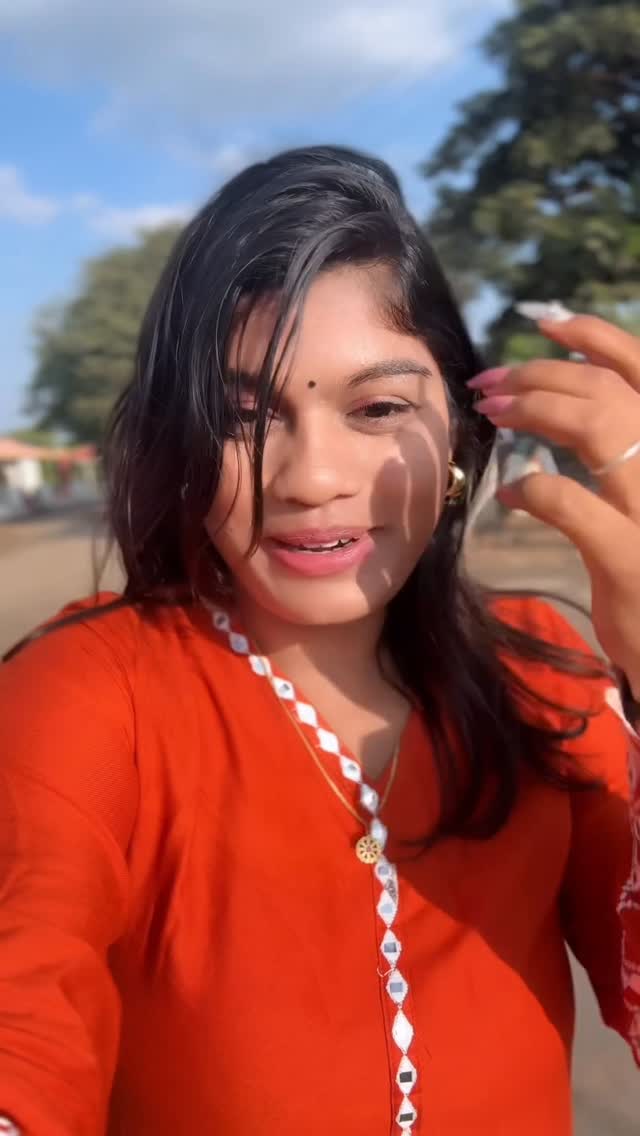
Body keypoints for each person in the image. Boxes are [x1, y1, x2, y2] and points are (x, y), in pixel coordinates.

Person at [0, 145, 639, 1136]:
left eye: (378, 408)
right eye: (242, 418)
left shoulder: (539, 668)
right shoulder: (90, 691)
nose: (309, 478)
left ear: (462, 427)